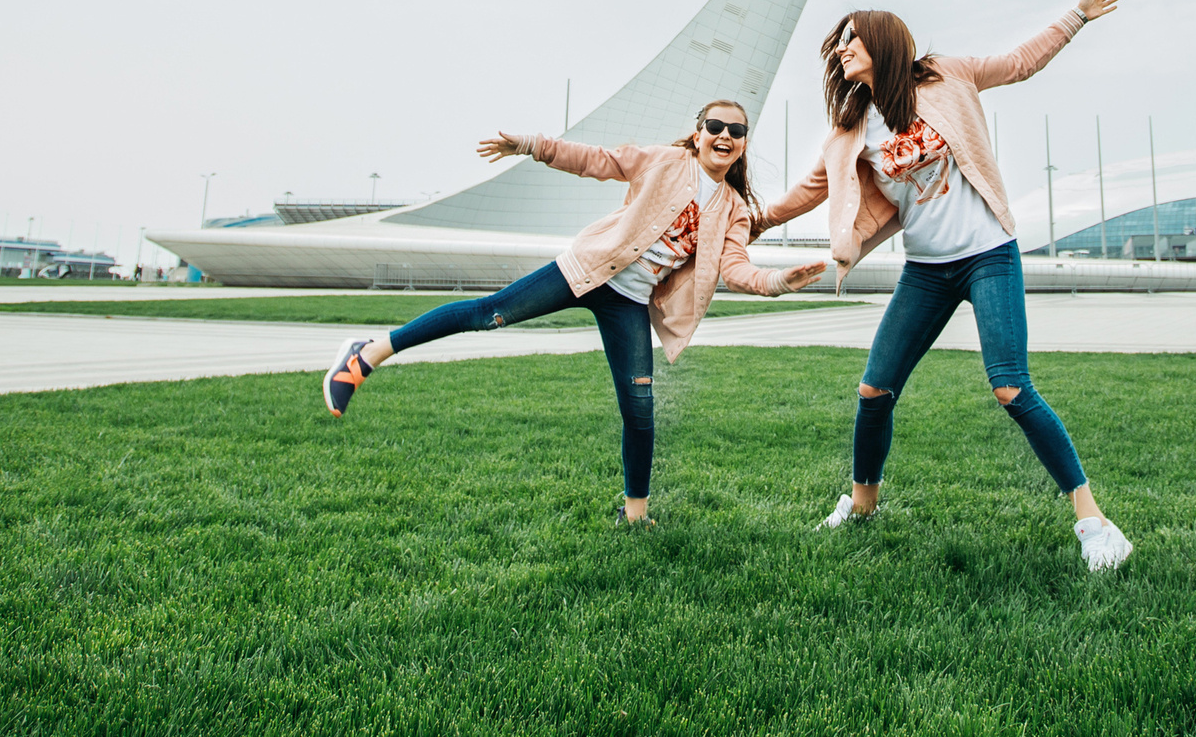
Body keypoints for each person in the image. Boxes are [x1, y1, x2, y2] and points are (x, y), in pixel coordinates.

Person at [760, 0, 1133, 570]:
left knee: (1010, 385)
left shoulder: (946, 76)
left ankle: (1096, 524)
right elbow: (801, 196)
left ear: (882, 40)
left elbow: (1017, 64)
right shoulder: (852, 132)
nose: (841, 50)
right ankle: (862, 506)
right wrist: (746, 221)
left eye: (851, 39)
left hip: (989, 254)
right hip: (927, 270)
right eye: (837, 45)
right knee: (873, 390)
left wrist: (1077, 16)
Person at [321, 100, 826, 523]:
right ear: (697, 135)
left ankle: (636, 517)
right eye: (715, 126)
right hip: (585, 269)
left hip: (628, 302)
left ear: (741, 143)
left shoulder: (734, 207)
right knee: (488, 314)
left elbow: (734, 267)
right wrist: (530, 146)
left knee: (640, 409)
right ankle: (367, 354)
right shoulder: (664, 162)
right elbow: (596, 159)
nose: (725, 135)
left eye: (736, 131)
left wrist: (778, 282)